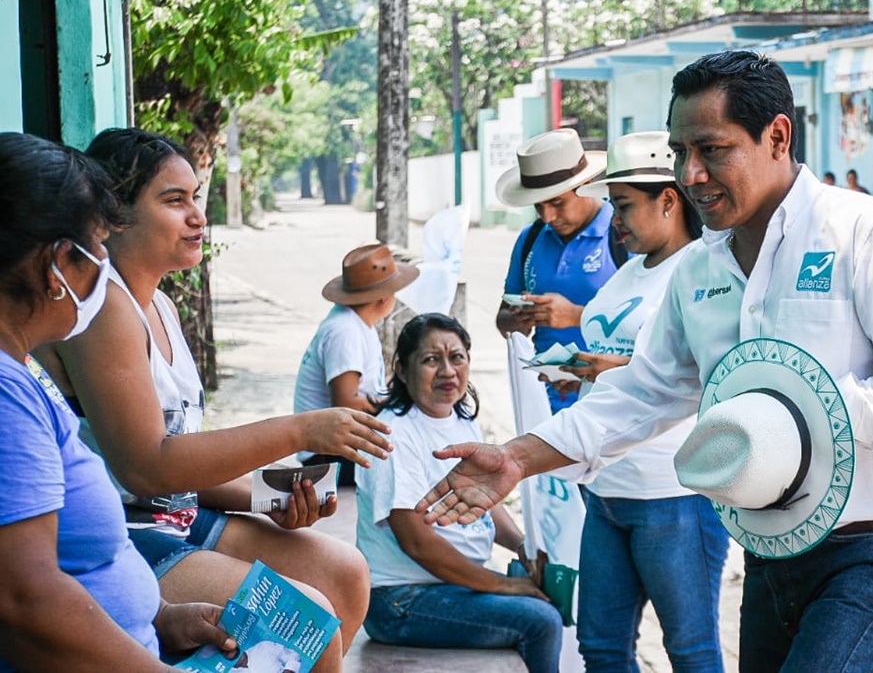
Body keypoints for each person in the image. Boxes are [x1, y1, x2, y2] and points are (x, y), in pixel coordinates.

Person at [419, 50, 873, 671]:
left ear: (777, 137)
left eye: (712, 150)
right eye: (682, 153)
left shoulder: (870, 236)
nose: (692, 174)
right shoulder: (700, 272)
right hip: (771, 551)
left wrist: (793, 427)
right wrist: (517, 458)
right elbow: (642, 394)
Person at [35, 127, 393, 670]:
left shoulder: (165, 308)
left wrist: (277, 493)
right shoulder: (105, 306)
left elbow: (185, 458)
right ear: (116, 216)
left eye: (196, 196)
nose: (198, 215)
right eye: (174, 201)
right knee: (308, 619)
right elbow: (148, 470)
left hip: (181, 515)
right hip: (132, 532)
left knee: (343, 571)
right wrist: (298, 431)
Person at [0, 132, 237, 671]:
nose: (103, 265)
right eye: (96, 246)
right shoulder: (5, 398)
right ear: (56, 263)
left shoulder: (24, 369)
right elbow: (25, 603)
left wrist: (159, 619)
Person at [546, 131, 729, 670]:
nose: (615, 222)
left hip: (674, 493)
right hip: (606, 488)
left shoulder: (703, 272)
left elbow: (708, 372)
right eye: (612, 206)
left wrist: (608, 370)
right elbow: (612, 356)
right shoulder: (629, 271)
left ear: (669, 200)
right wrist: (577, 375)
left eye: (624, 206)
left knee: (690, 649)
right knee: (600, 646)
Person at [356, 313, 562, 672]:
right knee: (540, 620)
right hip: (401, 600)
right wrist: (500, 585)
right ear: (403, 371)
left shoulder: (461, 419)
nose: (448, 372)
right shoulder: (393, 435)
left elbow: (482, 501)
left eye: (457, 357)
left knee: (555, 592)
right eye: (431, 360)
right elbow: (415, 541)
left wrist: (522, 547)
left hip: (447, 588)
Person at [495, 128, 619, 413]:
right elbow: (503, 320)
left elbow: (651, 326)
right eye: (539, 206)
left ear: (587, 184)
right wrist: (519, 318)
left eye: (557, 202)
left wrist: (574, 314)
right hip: (545, 402)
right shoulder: (530, 239)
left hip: (609, 404)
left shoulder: (623, 234)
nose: (548, 216)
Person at [294, 243, 419, 485]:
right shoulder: (345, 331)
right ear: (383, 297)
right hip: (327, 456)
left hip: (338, 446)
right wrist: (395, 402)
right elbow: (347, 403)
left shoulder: (357, 323)